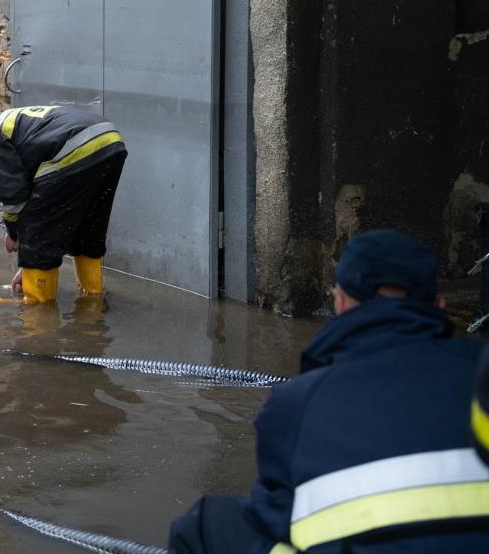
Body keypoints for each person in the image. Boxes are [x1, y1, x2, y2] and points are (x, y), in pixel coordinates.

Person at [169, 229, 489, 554]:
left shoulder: (296, 402)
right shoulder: (482, 371)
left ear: (339, 302)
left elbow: (274, 515)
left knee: (203, 523)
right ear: (439, 305)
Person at [0, 105, 126, 303]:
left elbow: (15, 197)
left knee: (37, 235)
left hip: (74, 146)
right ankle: (93, 298)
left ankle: (37, 309)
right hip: (110, 140)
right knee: (87, 231)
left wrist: (15, 235)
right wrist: (27, 267)